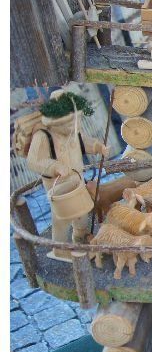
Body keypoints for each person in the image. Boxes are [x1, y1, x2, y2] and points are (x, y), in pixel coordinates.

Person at [25, 104, 108, 260]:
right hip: (59, 186)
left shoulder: (72, 131)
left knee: (81, 212)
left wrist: (97, 146)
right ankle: (60, 249)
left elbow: (83, 142)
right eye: (69, 122)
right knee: (62, 218)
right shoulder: (43, 136)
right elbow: (33, 161)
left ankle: (80, 238)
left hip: (77, 181)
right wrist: (54, 166)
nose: (73, 125)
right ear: (56, 122)